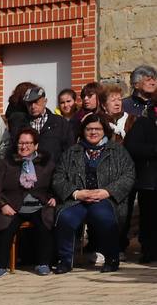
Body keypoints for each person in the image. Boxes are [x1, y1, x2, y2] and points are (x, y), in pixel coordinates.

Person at [52, 113, 136, 273]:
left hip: (106, 199)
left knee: (104, 217)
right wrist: (76, 193)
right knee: (65, 217)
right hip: (77, 200)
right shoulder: (72, 152)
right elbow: (58, 177)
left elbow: (129, 175)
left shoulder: (117, 151)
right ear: (83, 131)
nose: (93, 132)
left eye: (97, 129)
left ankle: (111, 259)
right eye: (89, 129)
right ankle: (65, 261)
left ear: (104, 130)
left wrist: (107, 191)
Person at [0, 128, 57, 277]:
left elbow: (56, 183)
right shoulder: (5, 163)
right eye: (21, 143)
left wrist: (54, 196)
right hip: (12, 205)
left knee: (46, 224)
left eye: (28, 143)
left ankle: (43, 263)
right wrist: (2, 205)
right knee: (4, 226)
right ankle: (0, 265)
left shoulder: (46, 163)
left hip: (40, 205)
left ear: (36, 145)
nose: (24, 147)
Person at [125, 104, 157, 264]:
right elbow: (132, 147)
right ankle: (149, 250)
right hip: (149, 180)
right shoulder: (143, 123)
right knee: (149, 218)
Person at [11, 85, 72, 161]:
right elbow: (13, 149)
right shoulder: (19, 124)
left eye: (36, 102)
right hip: (27, 170)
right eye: (29, 103)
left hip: (55, 170)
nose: (33, 106)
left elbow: (69, 150)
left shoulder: (60, 123)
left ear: (45, 101)